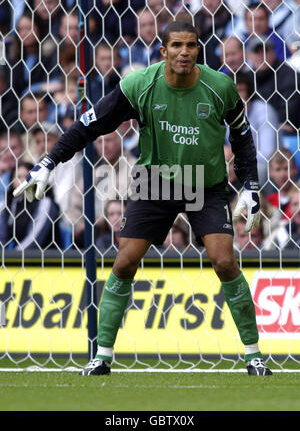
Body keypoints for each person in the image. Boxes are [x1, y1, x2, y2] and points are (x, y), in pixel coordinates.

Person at [13, 20, 272, 376]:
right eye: (177, 46)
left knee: (224, 261)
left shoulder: (220, 87)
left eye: (191, 45)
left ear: (199, 50)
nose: (185, 52)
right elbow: (90, 124)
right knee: (124, 262)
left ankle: (254, 354)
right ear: (162, 51)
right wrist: (47, 162)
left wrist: (251, 187)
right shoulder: (139, 85)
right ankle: (102, 356)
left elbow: (242, 138)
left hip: (205, 183)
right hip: (156, 183)